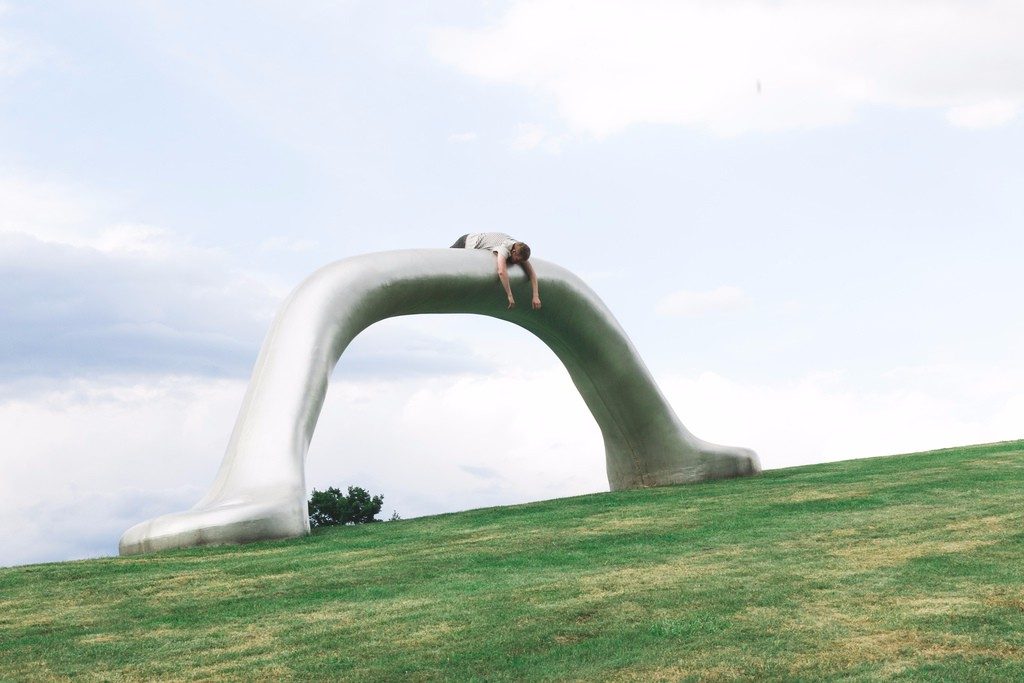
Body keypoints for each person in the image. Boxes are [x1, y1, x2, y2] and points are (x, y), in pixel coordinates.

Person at [451, 232, 541, 310]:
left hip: (474, 244)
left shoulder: (520, 249)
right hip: (466, 242)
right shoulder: (505, 248)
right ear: (513, 252)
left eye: (521, 262)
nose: (518, 263)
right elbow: (501, 271)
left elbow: (532, 274)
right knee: (447, 263)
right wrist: (510, 295)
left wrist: (536, 296)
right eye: (517, 260)